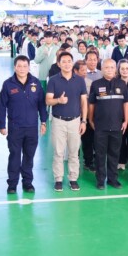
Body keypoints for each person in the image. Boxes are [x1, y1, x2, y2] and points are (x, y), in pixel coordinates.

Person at [0, 55, 48, 194]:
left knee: (29, 156)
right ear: (15, 67)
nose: (22, 69)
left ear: (29, 67)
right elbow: (1, 106)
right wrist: (2, 125)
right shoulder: (8, 84)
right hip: (15, 128)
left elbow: (41, 104)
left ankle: (27, 183)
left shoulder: (35, 83)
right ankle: (12, 184)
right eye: (19, 66)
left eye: (25, 66)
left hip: (32, 127)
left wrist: (43, 121)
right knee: (14, 156)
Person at [46, 51, 88, 192]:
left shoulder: (80, 80)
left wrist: (84, 121)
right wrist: (58, 100)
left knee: (74, 152)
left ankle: (73, 178)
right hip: (58, 121)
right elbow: (48, 100)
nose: (67, 64)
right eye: (63, 61)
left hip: (75, 121)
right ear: (58, 64)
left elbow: (84, 102)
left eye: (69, 61)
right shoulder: (53, 80)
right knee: (58, 152)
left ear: (72, 63)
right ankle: (58, 179)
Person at [88, 59, 128, 189]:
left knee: (114, 154)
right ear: (102, 69)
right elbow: (91, 104)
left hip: (117, 126)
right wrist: (90, 120)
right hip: (100, 126)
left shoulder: (122, 84)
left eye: (112, 67)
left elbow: (126, 103)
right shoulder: (95, 84)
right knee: (100, 154)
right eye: (107, 67)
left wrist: (126, 121)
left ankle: (113, 179)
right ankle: (100, 180)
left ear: (115, 69)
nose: (110, 70)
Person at [116, 59, 128, 171]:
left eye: (127, 68)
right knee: (120, 140)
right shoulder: (115, 83)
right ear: (118, 70)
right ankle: (121, 161)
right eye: (122, 68)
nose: (125, 70)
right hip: (119, 116)